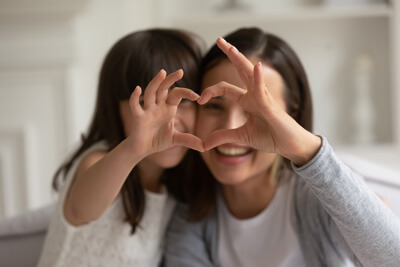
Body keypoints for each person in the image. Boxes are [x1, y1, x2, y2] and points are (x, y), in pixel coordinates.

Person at [163, 27, 400, 266]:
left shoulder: (321, 199)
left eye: (255, 111)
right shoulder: (189, 215)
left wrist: (306, 150)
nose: (231, 129)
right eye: (214, 106)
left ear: (291, 118)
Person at [38, 28, 204, 267]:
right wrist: (135, 147)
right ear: (114, 108)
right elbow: (82, 208)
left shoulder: (173, 185)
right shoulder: (97, 161)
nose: (169, 120)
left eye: (184, 101)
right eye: (150, 104)